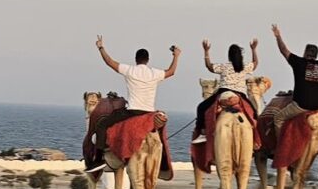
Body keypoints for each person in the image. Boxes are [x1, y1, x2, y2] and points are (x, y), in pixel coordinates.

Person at [89, 37, 180, 168]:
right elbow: (171, 71)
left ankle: (98, 160)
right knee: (160, 130)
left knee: (102, 125)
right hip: (150, 114)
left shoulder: (130, 70)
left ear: (136, 60)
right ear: (147, 60)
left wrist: (100, 47)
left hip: (132, 112)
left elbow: (109, 61)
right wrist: (176, 55)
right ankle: (164, 163)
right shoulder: (154, 73)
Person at [269, 24, 318, 133]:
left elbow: (284, 50)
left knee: (278, 118)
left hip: (303, 104)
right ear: (316, 55)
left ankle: (282, 146)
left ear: (305, 53)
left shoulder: (299, 62)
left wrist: (278, 36)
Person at [192, 39, 259, 144]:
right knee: (254, 113)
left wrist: (206, 51)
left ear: (229, 56)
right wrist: (253, 49)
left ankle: (203, 133)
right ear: (240, 56)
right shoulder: (244, 67)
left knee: (201, 108)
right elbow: (255, 63)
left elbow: (209, 66)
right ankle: (256, 139)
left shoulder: (224, 67)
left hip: (223, 92)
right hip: (240, 95)